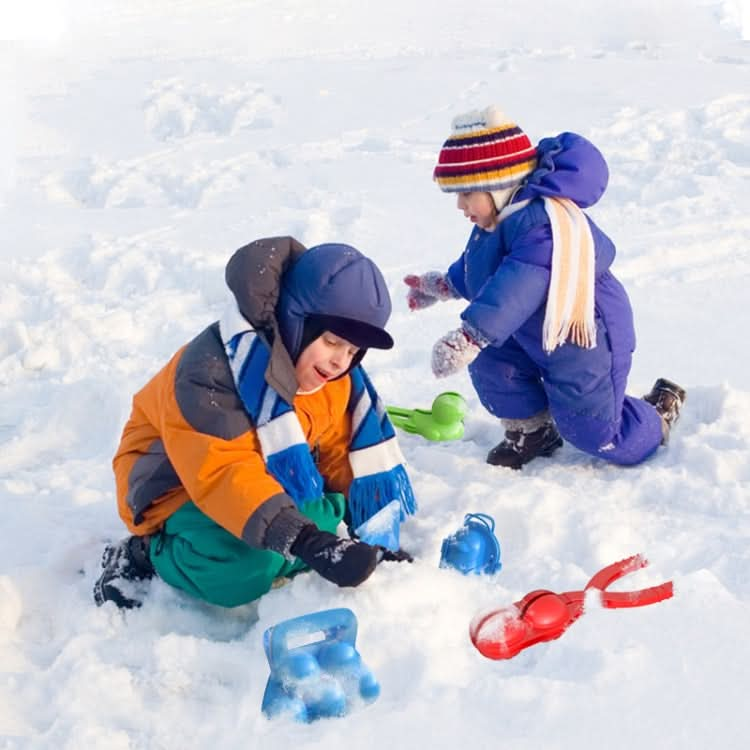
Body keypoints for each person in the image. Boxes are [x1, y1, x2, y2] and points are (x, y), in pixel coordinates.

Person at [94, 237, 415, 609]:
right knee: (239, 569)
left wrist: (371, 531)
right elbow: (224, 470)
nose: (340, 361)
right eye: (331, 341)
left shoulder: (331, 380)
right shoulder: (210, 371)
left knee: (316, 515)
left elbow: (339, 452)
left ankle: (281, 540)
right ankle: (146, 553)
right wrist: (308, 541)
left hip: (260, 472)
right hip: (176, 486)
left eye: (353, 351)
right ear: (296, 319)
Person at [405, 105, 685, 469]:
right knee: (494, 365)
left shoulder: (544, 227)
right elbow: (484, 268)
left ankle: (656, 415)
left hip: (583, 336)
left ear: (498, 184)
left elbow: (517, 285)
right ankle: (532, 431)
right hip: (528, 330)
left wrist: (470, 337)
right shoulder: (499, 218)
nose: (460, 206)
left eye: (466, 193)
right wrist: (442, 285)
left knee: (593, 431)